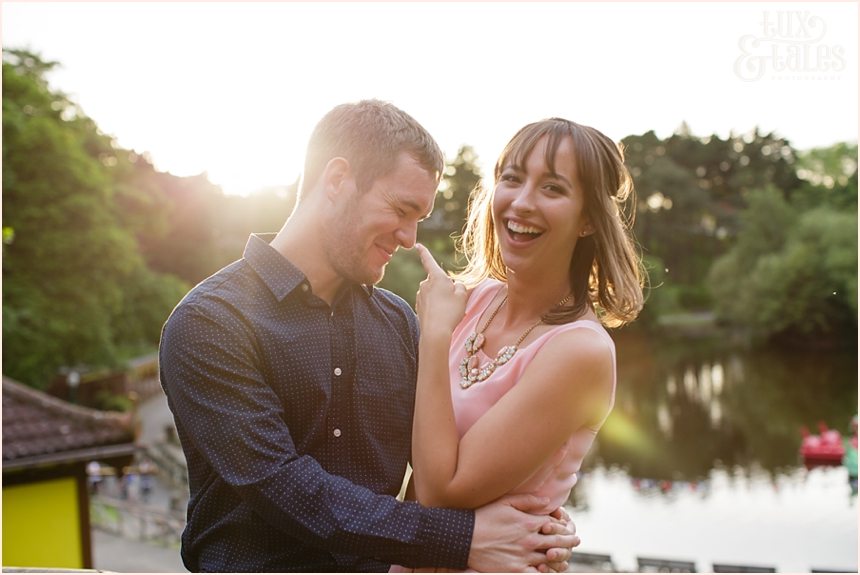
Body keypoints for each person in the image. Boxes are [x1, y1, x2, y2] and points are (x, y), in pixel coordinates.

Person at [158, 100, 579, 572]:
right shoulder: (212, 322)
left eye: (419, 216)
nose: (408, 237)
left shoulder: (399, 323)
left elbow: (443, 458)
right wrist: (464, 538)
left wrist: (541, 521)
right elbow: (281, 486)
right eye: (401, 209)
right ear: (337, 181)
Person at [396, 118, 644, 571]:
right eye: (511, 179)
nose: (521, 202)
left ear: (588, 218)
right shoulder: (472, 301)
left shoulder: (579, 351)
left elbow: (440, 491)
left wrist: (433, 337)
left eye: (552, 188)